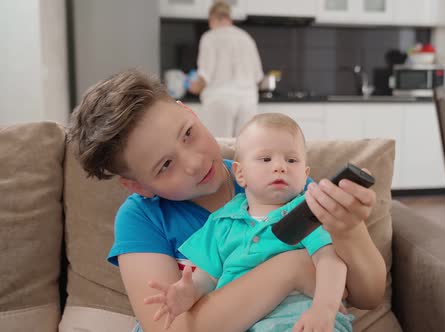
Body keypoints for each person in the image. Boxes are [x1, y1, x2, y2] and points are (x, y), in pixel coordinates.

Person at [68, 69, 386, 332]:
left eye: (188, 133)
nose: (193, 163)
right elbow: (171, 328)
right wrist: (292, 269)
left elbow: (369, 295)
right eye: (165, 166)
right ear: (137, 185)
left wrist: (349, 229)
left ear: (190, 111)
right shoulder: (141, 218)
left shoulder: (277, 180)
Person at [144, 113, 353, 331]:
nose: (280, 167)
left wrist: (323, 310)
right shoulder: (221, 222)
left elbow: (330, 262)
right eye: (266, 159)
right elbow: (206, 278)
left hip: (303, 320)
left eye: (291, 160)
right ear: (240, 173)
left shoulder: (306, 213)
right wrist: (187, 292)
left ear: (305, 175)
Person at [188, 1, 263, 137]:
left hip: (220, 100)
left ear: (212, 18)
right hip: (248, 101)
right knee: (245, 148)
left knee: (220, 148)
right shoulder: (246, 38)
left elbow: (205, 75)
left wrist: (194, 87)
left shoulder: (210, 37)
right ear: (229, 18)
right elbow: (258, 78)